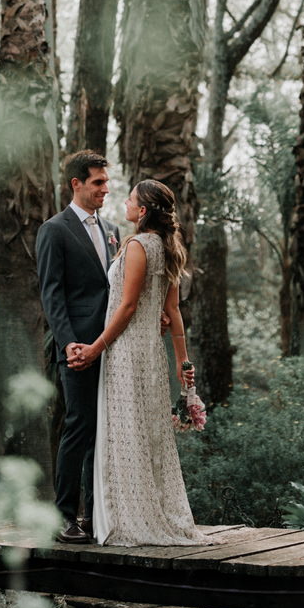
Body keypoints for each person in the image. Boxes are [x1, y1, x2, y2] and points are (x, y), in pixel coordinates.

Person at [69, 178, 204, 546]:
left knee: (124, 431)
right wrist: (182, 361)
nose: (124, 204)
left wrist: (96, 348)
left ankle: (127, 519)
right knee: (146, 433)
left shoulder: (138, 247)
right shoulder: (168, 247)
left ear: (142, 211)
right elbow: (172, 310)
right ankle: (142, 511)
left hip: (126, 351)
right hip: (151, 353)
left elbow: (127, 307)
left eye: (130, 200)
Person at [35, 150, 119, 544]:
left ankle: (94, 517)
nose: (106, 188)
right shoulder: (54, 230)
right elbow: (51, 294)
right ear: (76, 184)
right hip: (78, 349)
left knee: (104, 431)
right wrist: (69, 343)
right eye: (98, 182)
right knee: (79, 427)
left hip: (112, 346)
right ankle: (64, 516)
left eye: (106, 181)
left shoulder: (113, 229)